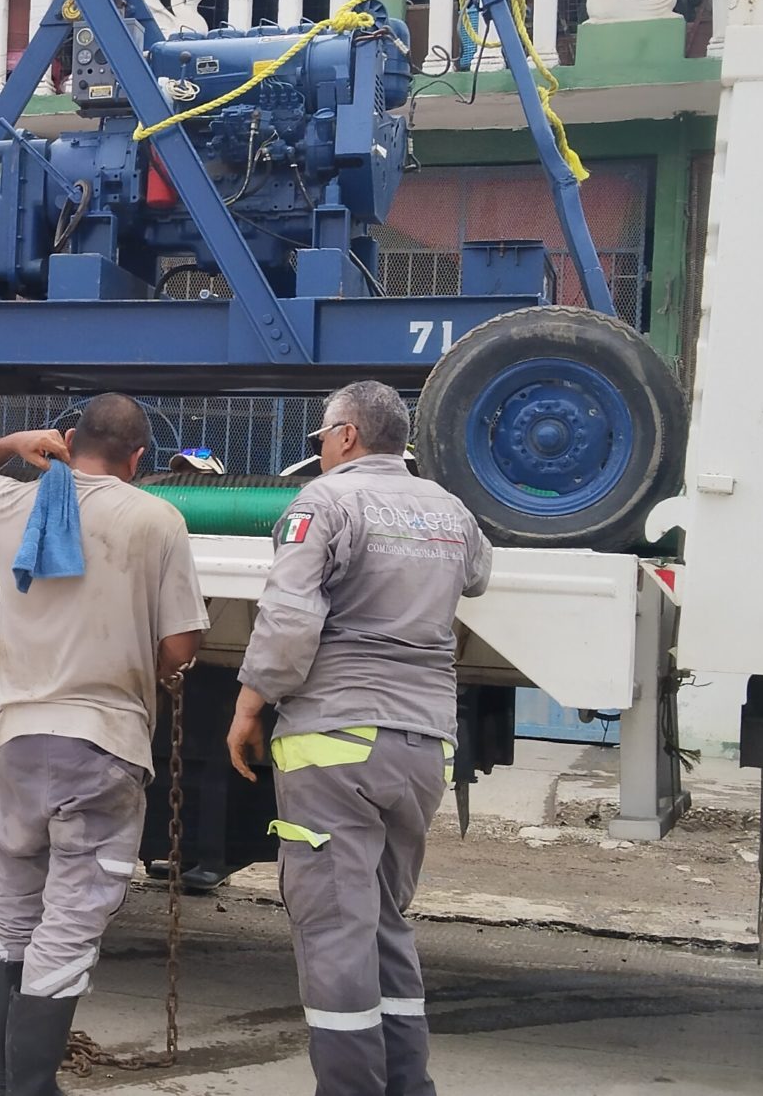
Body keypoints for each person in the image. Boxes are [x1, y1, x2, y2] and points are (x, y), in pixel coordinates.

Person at [226, 381, 491, 1096]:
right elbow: (477, 577)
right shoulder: (450, 509)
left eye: (321, 438)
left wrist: (249, 706)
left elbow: (288, 621)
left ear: (345, 436)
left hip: (334, 741)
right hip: (423, 745)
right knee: (383, 923)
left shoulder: (325, 502)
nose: (320, 450)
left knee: (336, 931)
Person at [0, 395, 212, 1096]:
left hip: (18, 740)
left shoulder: (14, 502)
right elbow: (180, 644)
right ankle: (31, 1087)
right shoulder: (156, 519)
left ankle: (1, 1076)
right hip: (101, 745)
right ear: (139, 458)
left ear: (68, 440)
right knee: (67, 924)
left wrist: (15, 443)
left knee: (12, 911)